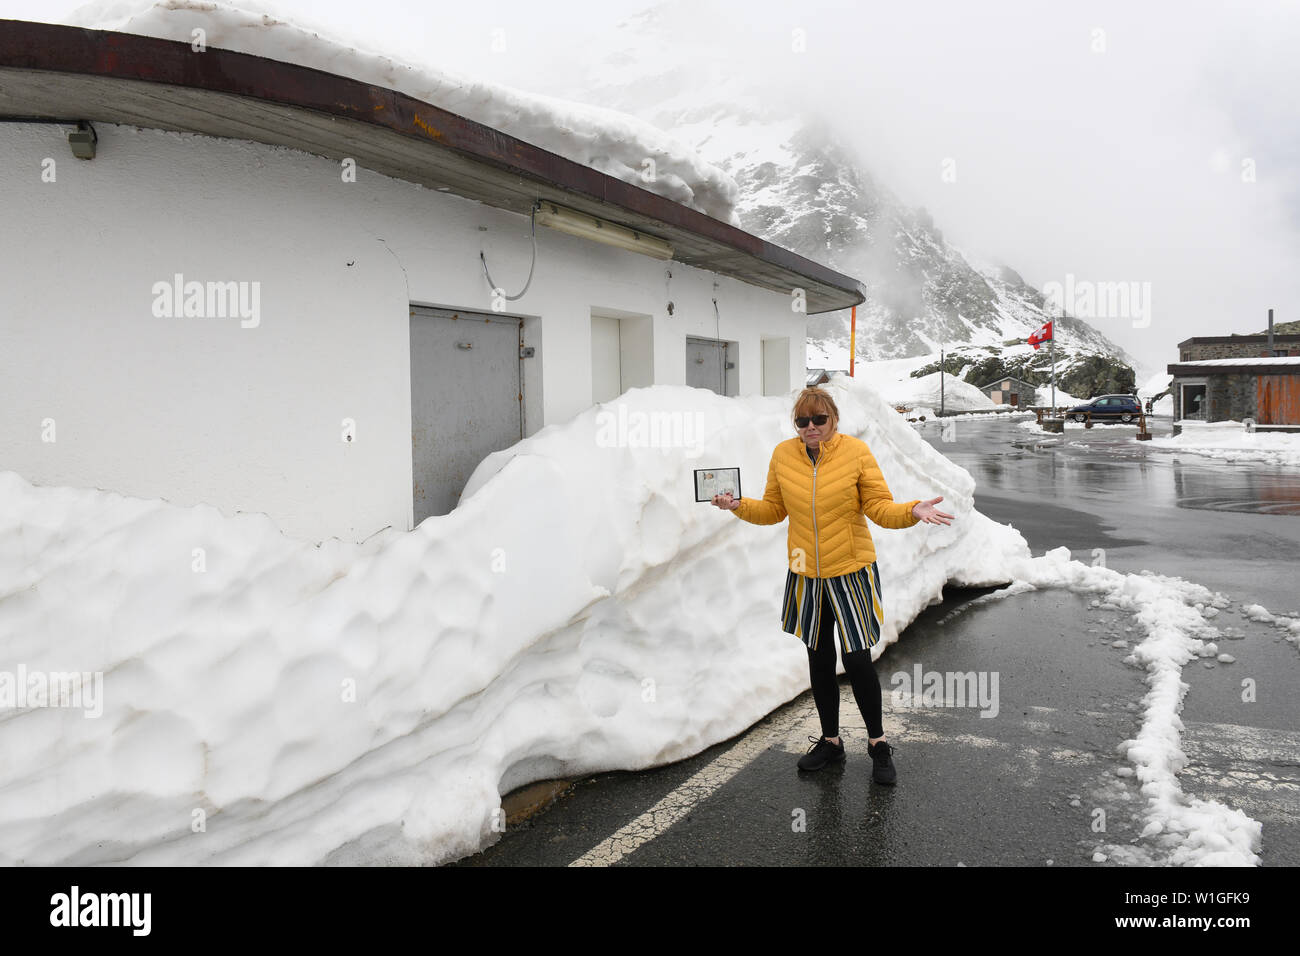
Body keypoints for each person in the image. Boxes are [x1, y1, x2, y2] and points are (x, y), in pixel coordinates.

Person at [711, 387, 954, 783]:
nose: (810, 427)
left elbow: (878, 507)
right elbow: (774, 510)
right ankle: (831, 742)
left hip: (851, 570)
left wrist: (912, 510)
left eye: (818, 420)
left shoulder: (855, 453)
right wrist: (737, 506)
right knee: (819, 658)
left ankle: (877, 743)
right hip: (807, 575)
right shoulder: (783, 455)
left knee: (857, 659)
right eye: (802, 421)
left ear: (833, 420)